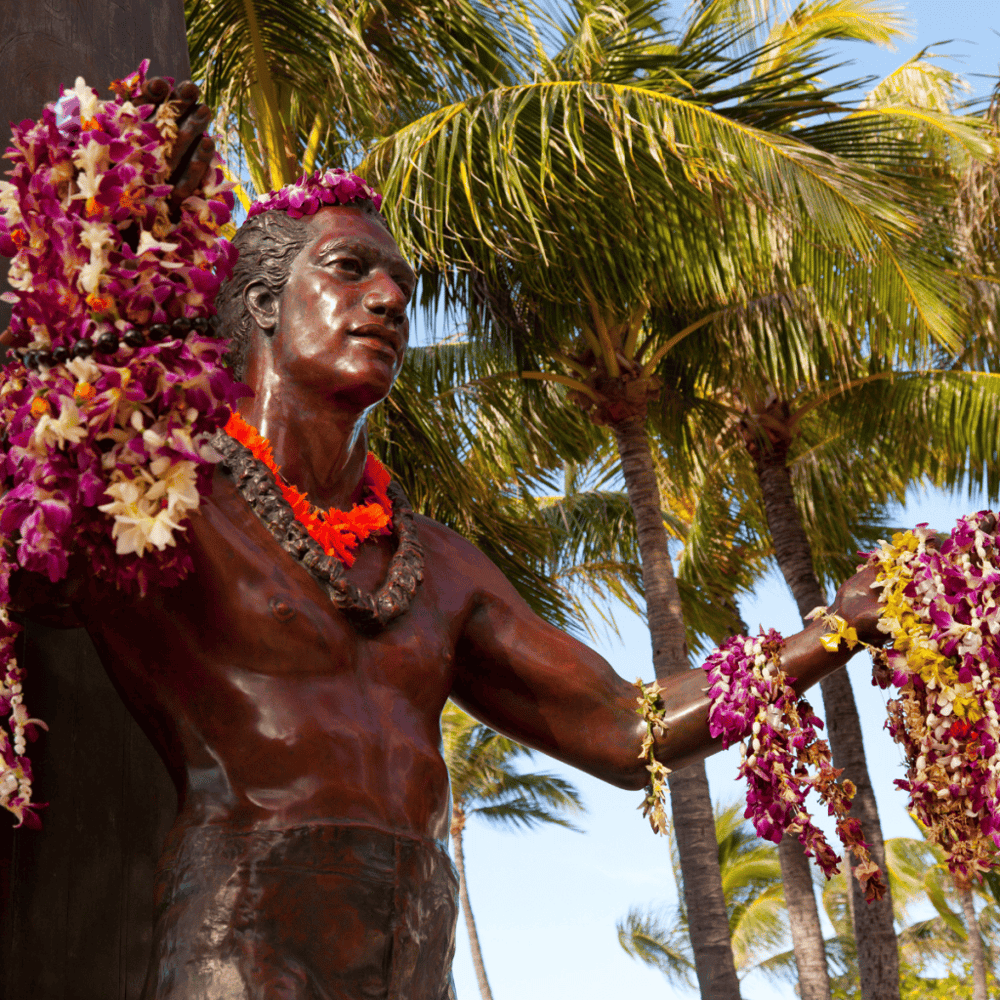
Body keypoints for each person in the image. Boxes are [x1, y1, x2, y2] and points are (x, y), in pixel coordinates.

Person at [8, 78, 885, 1000]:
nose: (388, 299)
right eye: (349, 269)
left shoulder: (439, 566)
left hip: (417, 947)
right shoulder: (166, 501)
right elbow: (30, 538)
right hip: (242, 940)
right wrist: (104, 203)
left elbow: (627, 731)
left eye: (403, 285)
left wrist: (843, 623)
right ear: (263, 302)